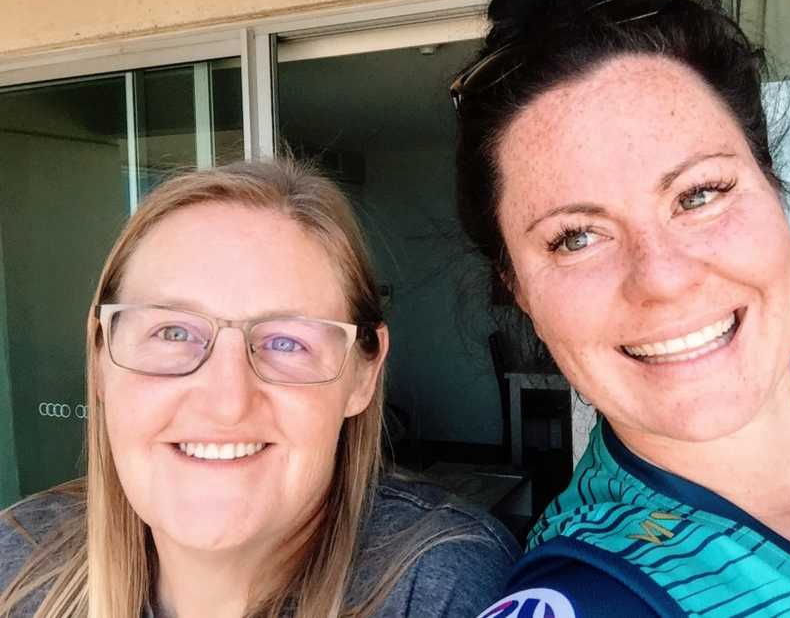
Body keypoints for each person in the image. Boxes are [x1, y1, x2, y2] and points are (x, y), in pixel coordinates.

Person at [450, 0, 790, 616]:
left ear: (772, 191)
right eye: (576, 236)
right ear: (517, 287)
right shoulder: (589, 596)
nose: (661, 277)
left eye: (700, 194)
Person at [0, 159, 518, 617]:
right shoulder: (16, 561)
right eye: (173, 332)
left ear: (363, 375)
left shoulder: (438, 586)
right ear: (99, 360)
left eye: (286, 342)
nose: (227, 403)